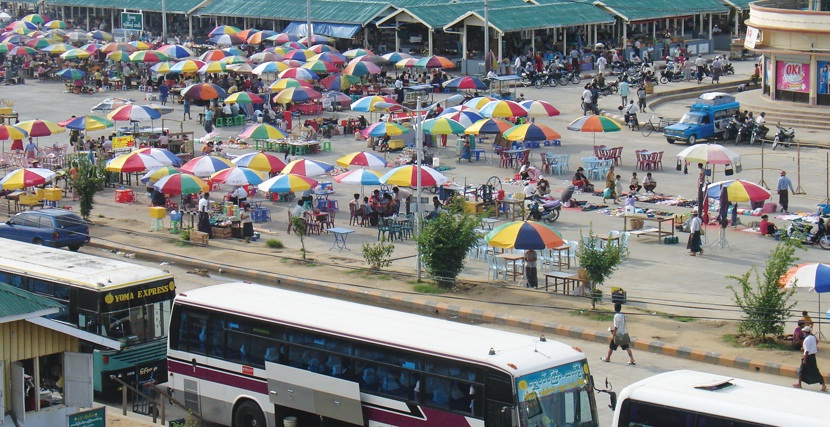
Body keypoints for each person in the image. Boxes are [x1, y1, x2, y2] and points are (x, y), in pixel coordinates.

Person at [793, 326, 827, 391]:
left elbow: (807, 351)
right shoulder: (813, 337)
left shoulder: (806, 340)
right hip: (813, 356)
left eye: (804, 332)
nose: (803, 333)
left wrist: (805, 360)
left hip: (807, 357)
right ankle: (823, 384)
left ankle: (799, 384)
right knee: (815, 371)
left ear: (806, 332)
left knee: (802, 370)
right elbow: (813, 345)